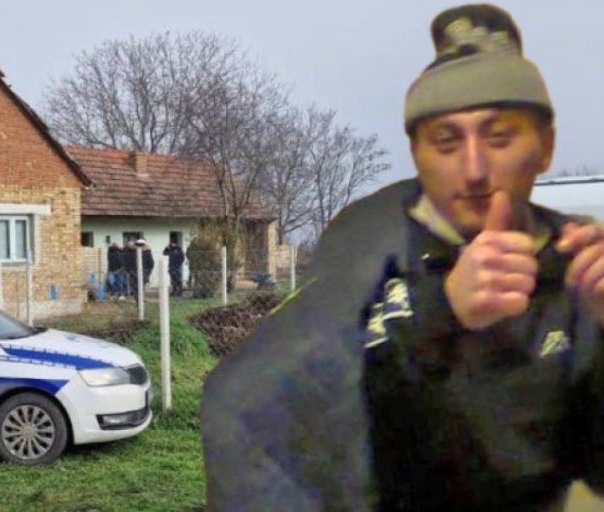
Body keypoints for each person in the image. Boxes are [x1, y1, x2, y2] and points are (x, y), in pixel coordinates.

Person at [201, 5, 604, 511]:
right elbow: (262, 414)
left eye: (500, 137)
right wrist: (442, 316)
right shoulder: (368, 250)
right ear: (417, 153)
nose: (474, 169)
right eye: (446, 141)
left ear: (545, 146)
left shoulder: (574, 261)